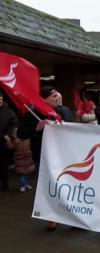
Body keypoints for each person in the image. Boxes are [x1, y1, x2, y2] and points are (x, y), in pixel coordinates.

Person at [16, 86, 64, 230]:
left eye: (57, 96)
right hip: (42, 157)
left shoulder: (61, 111)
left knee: (64, 186)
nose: (57, 98)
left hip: (62, 155)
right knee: (46, 187)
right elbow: (21, 133)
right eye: (54, 96)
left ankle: (69, 213)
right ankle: (50, 217)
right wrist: (36, 128)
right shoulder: (33, 112)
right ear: (44, 99)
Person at [0, 91, 17, 191]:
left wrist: (8, 134)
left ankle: (4, 184)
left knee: (3, 164)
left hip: (3, 142)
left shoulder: (9, 111)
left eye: (1, 99)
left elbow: (14, 124)